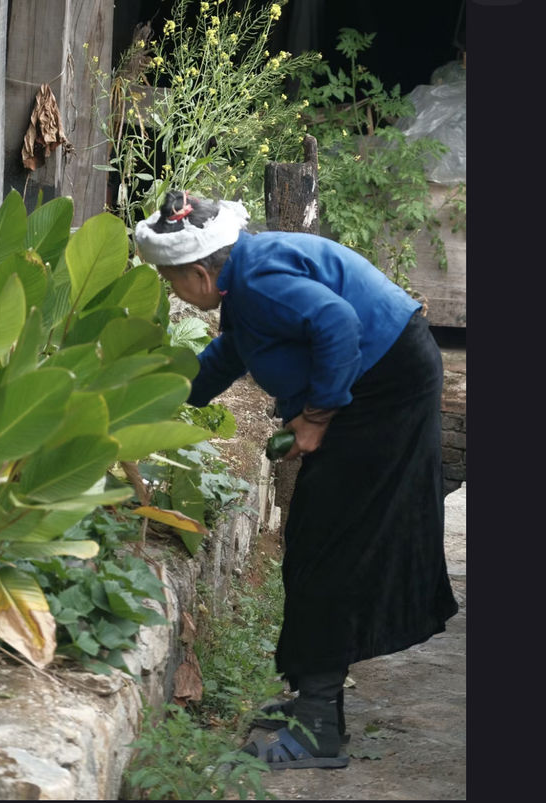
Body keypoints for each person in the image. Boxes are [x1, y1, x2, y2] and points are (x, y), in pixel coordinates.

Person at [135, 189, 459, 771]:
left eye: (169, 279)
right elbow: (232, 353)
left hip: (383, 390)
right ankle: (314, 703)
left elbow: (336, 321)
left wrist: (315, 416)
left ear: (199, 274)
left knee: (326, 545)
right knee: (318, 539)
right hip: (381, 379)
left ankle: (315, 728)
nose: (170, 290)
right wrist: (153, 402)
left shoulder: (255, 280)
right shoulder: (247, 277)